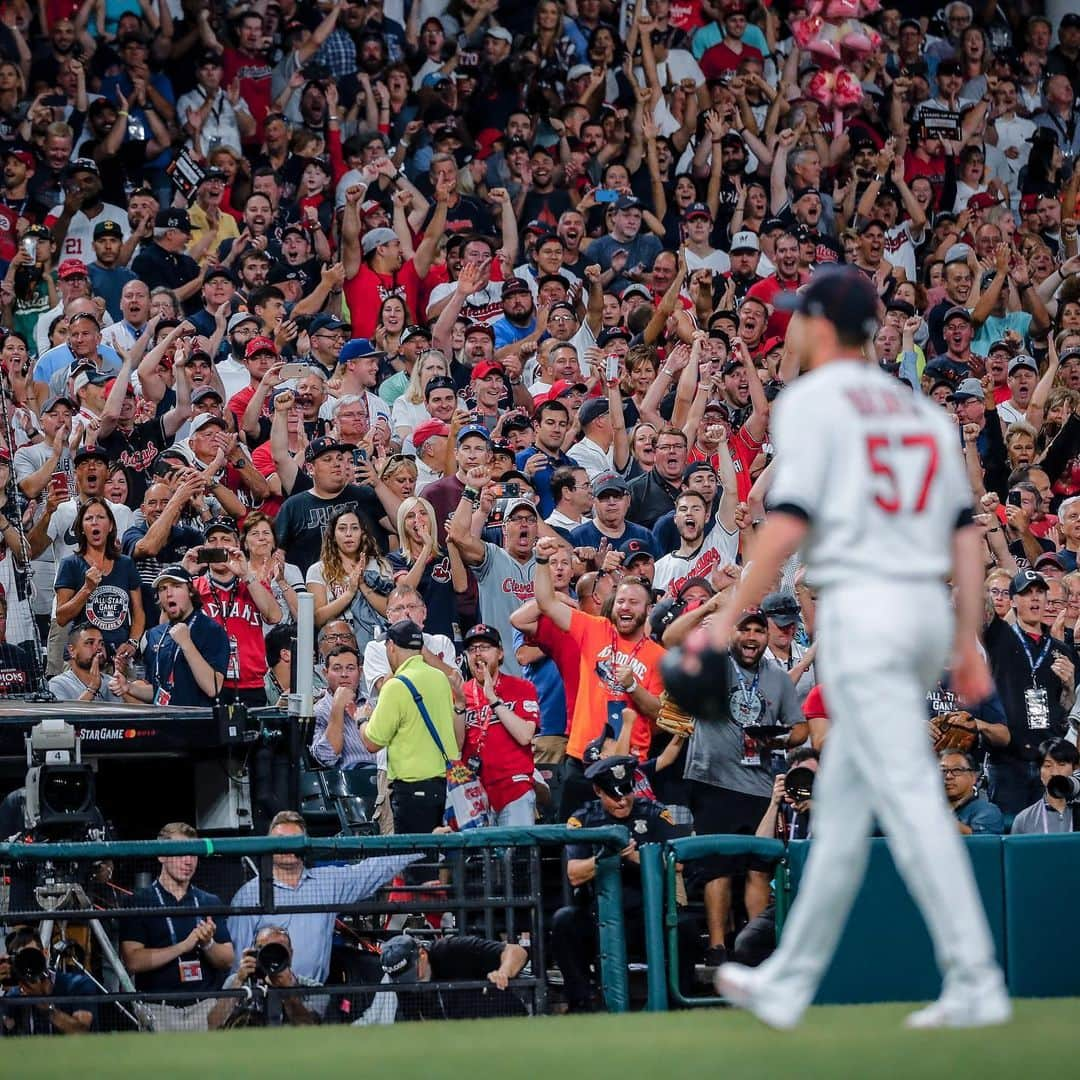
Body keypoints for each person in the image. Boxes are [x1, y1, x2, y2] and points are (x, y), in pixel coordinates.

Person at [676, 266, 1011, 1029]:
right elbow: (966, 532)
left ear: (821, 327)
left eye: (798, 316)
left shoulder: (815, 400)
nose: (789, 324)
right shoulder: (917, 410)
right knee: (841, 798)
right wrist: (962, 637)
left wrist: (726, 621)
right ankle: (789, 981)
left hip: (866, 607)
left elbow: (787, 523)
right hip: (923, 606)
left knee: (910, 797)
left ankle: (975, 976)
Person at [551, 755, 696, 1012]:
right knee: (564, 921)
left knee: (685, 927)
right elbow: (574, 873)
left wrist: (633, 857)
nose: (622, 800)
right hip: (599, 917)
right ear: (598, 790)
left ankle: (677, 1003)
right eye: (614, 794)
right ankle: (582, 1004)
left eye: (626, 791)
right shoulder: (583, 818)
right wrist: (608, 858)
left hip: (646, 916)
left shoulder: (653, 813)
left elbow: (678, 863)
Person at [227, 810, 419, 985]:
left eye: (294, 839)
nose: (287, 846)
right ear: (269, 844)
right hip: (264, 994)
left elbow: (373, 869)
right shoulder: (249, 895)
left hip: (314, 994)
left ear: (305, 844)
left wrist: (424, 845)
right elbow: (235, 961)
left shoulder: (328, 882)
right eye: (280, 839)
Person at [120, 821, 234, 1033]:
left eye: (193, 854)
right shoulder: (139, 901)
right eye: (180, 853)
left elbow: (227, 959)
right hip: (159, 1010)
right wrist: (184, 946)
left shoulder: (209, 901)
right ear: (161, 855)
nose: (188, 861)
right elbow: (133, 961)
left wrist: (208, 943)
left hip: (205, 1008)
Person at [358, 619, 463, 835]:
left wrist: (362, 719)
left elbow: (372, 742)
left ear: (391, 647)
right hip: (445, 787)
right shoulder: (440, 679)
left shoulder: (396, 685)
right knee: (441, 859)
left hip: (413, 790)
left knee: (416, 862)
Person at [109, 565, 229, 708]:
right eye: (162, 588)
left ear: (190, 591)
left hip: (198, 724)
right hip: (164, 723)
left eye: (176, 586)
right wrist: (129, 687)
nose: (168, 593)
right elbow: (161, 690)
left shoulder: (211, 630)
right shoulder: (154, 635)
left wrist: (187, 644)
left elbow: (212, 688)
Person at [460, 623, 540, 826]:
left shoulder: (521, 687)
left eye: (485, 648)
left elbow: (525, 735)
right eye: (472, 649)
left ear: (500, 654)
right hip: (473, 793)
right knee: (478, 858)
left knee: (517, 856)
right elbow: (455, 745)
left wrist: (493, 700)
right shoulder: (460, 693)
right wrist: (459, 706)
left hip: (514, 789)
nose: (478, 654)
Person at [359, 933, 528, 1024]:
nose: (410, 982)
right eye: (401, 979)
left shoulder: (451, 949)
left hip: (501, 1019)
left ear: (423, 954)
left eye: (411, 973)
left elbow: (516, 951)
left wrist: (503, 973)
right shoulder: (403, 985)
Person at [208, 926, 322, 1029]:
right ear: (254, 953)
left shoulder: (312, 988)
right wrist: (238, 981)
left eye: (278, 951)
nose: (272, 958)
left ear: (290, 954)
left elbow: (311, 1031)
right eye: (265, 950)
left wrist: (289, 992)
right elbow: (213, 1024)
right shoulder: (238, 982)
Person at [0, 928, 98, 1036]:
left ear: (45, 954)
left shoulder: (77, 984)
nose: (28, 964)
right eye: (22, 959)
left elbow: (82, 1032)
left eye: (32, 957)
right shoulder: (14, 995)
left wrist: (44, 1006)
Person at [311, 643, 378, 772]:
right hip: (347, 781)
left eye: (350, 668)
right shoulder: (318, 711)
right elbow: (327, 757)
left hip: (384, 777)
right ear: (325, 673)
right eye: (337, 668)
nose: (344, 674)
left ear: (360, 672)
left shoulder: (374, 705)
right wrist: (337, 706)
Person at [1009, 738, 1080, 835]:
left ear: (1074, 769)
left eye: (1061, 764)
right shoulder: (1024, 819)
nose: (1055, 772)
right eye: (1047, 765)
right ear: (1039, 771)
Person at [48, 623, 124, 703]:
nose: (99, 648)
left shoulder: (113, 683)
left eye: (101, 644)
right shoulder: (58, 684)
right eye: (90, 643)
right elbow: (67, 715)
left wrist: (126, 688)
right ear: (72, 650)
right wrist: (92, 689)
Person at [940, 750, 1006, 835]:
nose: (948, 776)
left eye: (957, 770)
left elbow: (983, 844)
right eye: (943, 771)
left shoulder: (987, 811)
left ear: (973, 777)